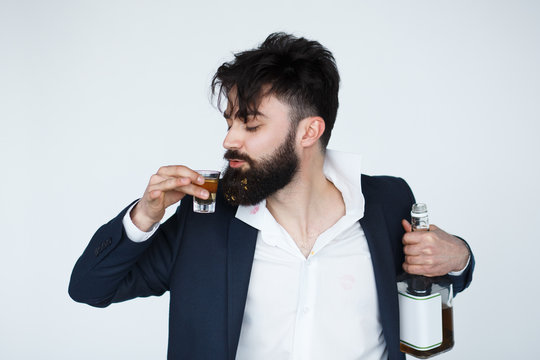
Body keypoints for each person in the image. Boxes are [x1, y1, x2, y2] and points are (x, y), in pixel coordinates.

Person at [69, 32, 474, 360]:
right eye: (229, 122)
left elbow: (433, 274)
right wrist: (144, 215)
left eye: (251, 125)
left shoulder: (388, 201)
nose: (228, 140)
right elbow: (90, 288)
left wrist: (460, 258)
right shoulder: (205, 221)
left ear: (309, 132)